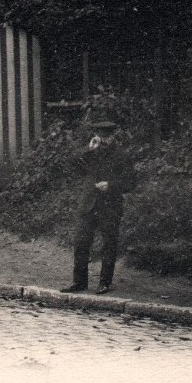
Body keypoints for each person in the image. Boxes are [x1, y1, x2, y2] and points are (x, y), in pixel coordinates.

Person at [60, 117, 137, 295]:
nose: (105, 139)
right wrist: (88, 148)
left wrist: (111, 185)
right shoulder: (91, 153)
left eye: (108, 136)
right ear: (96, 136)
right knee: (81, 243)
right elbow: (70, 164)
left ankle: (105, 282)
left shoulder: (121, 155)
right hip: (88, 204)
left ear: (114, 136)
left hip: (110, 205)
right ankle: (79, 282)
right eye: (101, 136)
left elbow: (131, 182)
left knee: (109, 243)